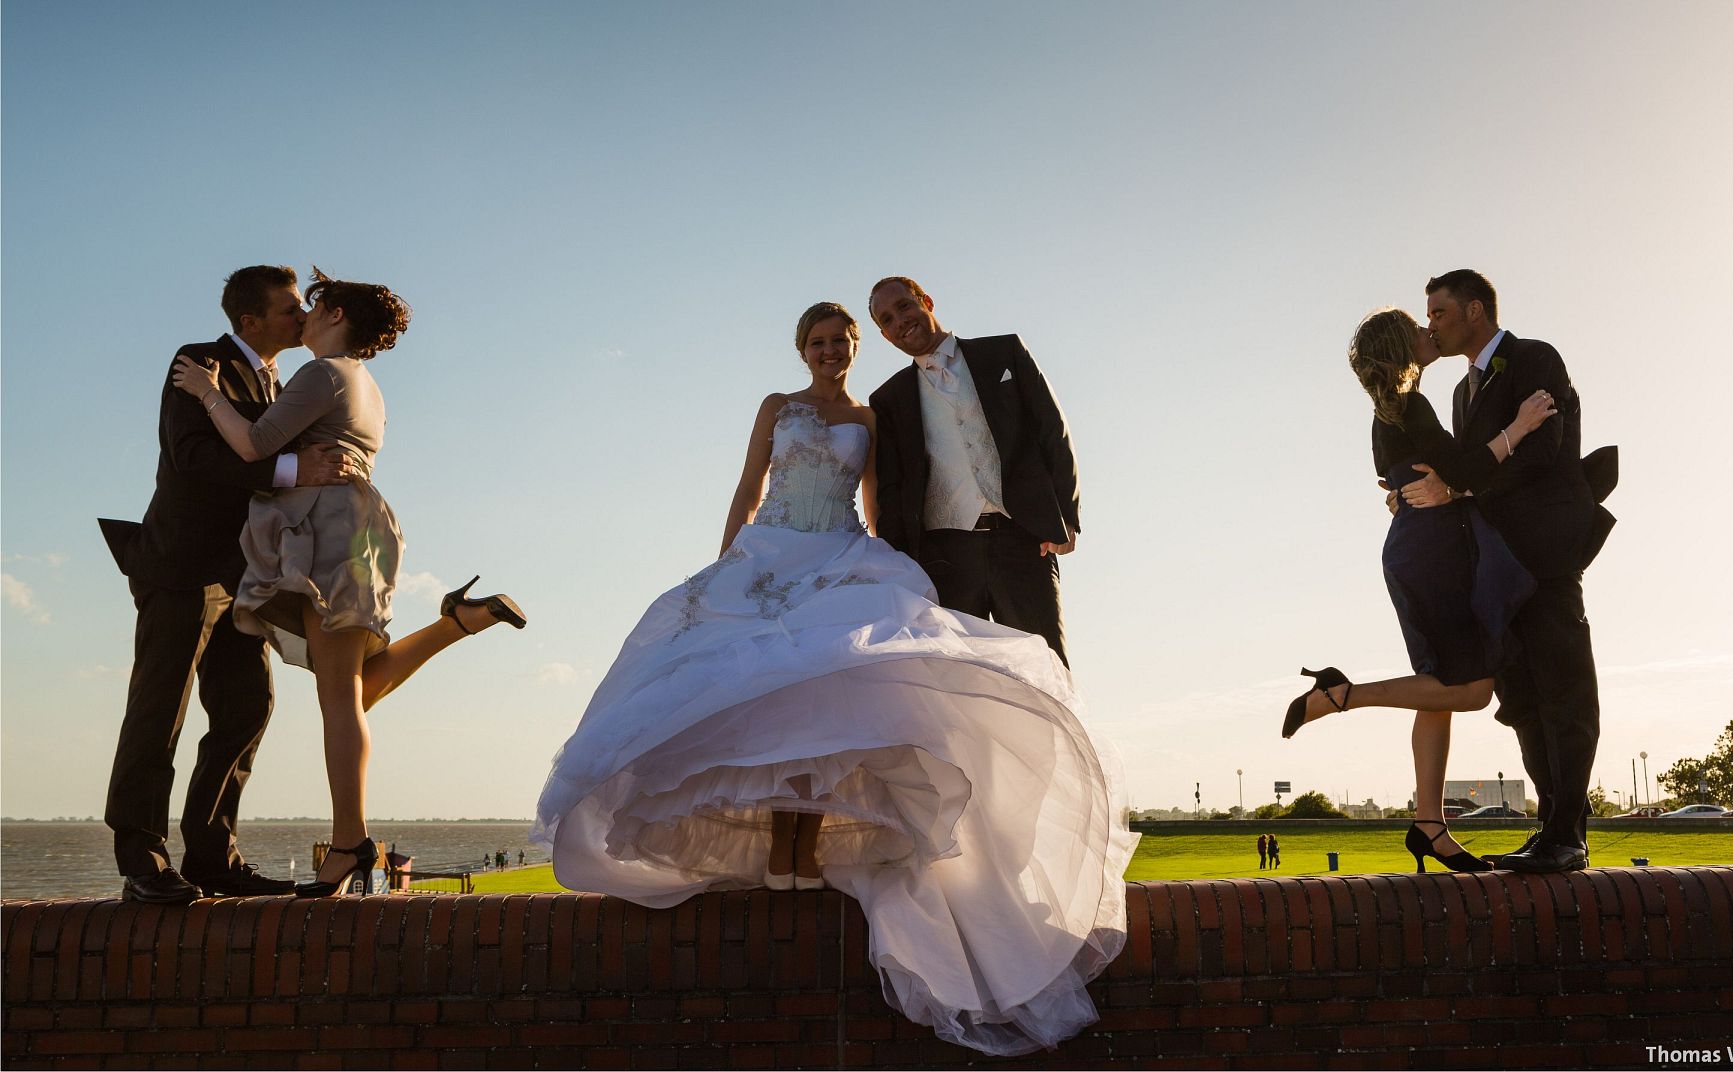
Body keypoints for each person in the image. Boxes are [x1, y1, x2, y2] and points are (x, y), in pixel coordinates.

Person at [535, 302, 1135, 1056]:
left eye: (840, 342)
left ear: (856, 347)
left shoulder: (871, 412)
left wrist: (900, 570)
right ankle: (779, 854)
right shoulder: (775, 407)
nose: (829, 351)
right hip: (770, 552)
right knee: (757, 689)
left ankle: (804, 853)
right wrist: (728, 560)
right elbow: (749, 486)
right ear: (802, 349)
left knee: (834, 692)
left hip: (842, 554)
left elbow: (881, 500)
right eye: (817, 343)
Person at [169, 268, 526, 896]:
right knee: (352, 691)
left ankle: (349, 844)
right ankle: (457, 623)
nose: (301, 316)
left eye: (311, 307)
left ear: (335, 315)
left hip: (331, 530)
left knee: (340, 699)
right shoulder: (367, 385)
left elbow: (253, 446)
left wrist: (207, 394)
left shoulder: (324, 373)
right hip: (355, 528)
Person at [99, 264, 356, 905]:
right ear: (250, 321)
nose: (302, 318)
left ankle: (213, 857)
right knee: (161, 708)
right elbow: (193, 457)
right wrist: (297, 468)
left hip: (246, 576)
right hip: (179, 565)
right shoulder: (197, 362)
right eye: (290, 309)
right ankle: (142, 861)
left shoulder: (286, 381)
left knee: (247, 706)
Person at [1282, 306, 1555, 874]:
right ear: (1401, 350)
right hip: (1430, 555)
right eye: (1418, 329)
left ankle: (1430, 825)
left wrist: (1439, 489)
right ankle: (1340, 695)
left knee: (1436, 690)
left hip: (1422, 548)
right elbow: (1466, 467)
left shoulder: (1392, 411)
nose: (1431, 331)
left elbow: (1417, 479)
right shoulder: (1409, 406)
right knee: (1474, 689)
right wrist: (1522, 426)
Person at [1401, 270, 1604, 874]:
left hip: (1545, 555)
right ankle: (1548, 830)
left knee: (1565, 691)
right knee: (1520, 699)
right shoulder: (1462, 395)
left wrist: (1461, 482)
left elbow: (1543, 453)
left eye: (1438, 312)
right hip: (1495, 569)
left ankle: (1570, 833)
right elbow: (1468, 474)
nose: (1431, 323)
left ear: (1475, 310)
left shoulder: (1533, 358)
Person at [866, 278, 1079, 667]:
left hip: (1023, 541)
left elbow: (1052, 432)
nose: (901, 321)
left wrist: (1065, 514)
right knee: (963, 682)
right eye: (888, 319)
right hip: (945, 559)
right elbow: (892, 490)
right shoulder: (889, 399)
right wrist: (900, 565)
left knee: (1046, 669)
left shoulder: (1004, 352)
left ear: (926, 301)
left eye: (905, 307)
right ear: (884, 334)